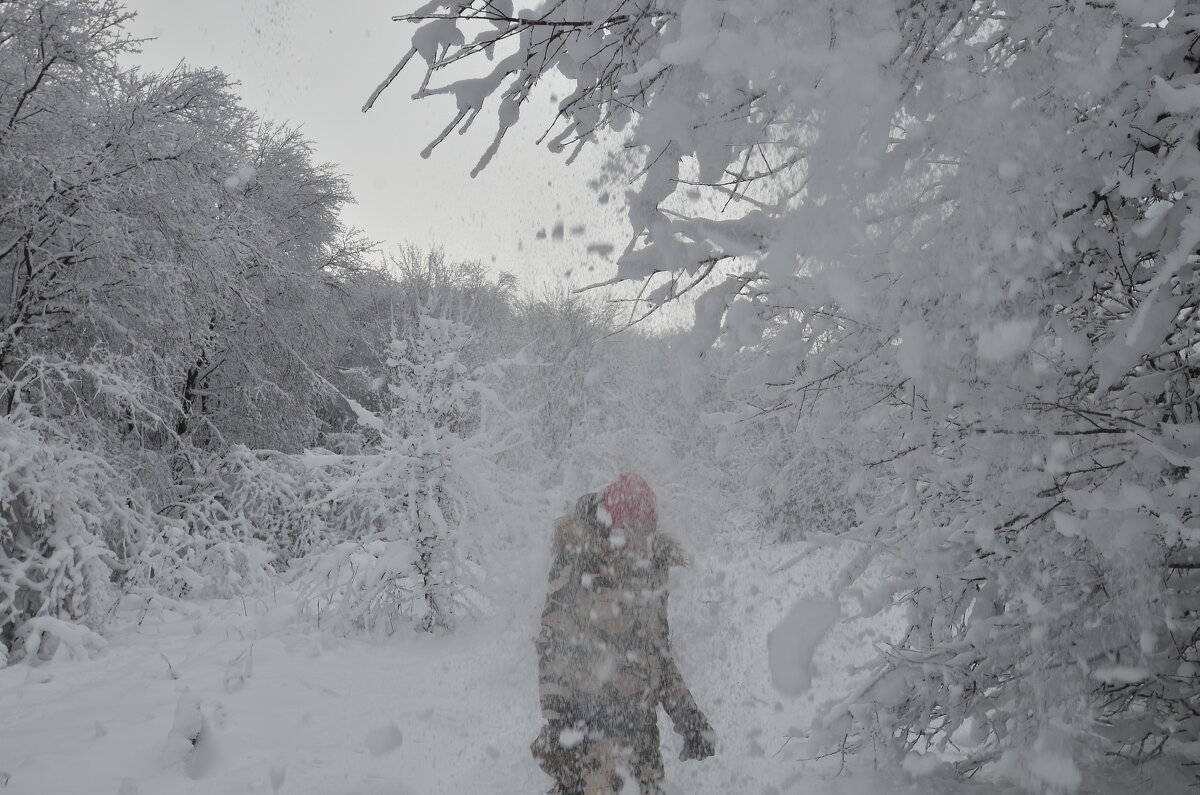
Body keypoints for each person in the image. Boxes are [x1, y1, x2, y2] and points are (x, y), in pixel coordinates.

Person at [531, 473, 715, 794]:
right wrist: (557, 720)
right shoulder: (580, 564)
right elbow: (553, 645)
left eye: (648, 527)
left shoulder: (653, 571)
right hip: (590, 731)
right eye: (632, 525)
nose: (642, 536)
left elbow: (658, 653)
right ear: (613, 525)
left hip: (643, 735)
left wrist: (687, 715)